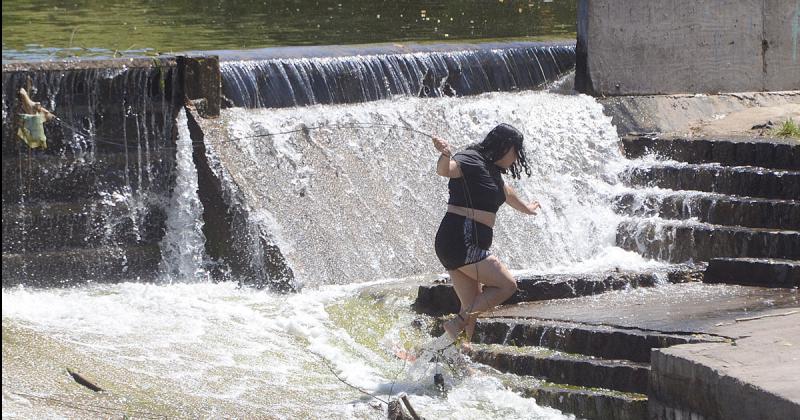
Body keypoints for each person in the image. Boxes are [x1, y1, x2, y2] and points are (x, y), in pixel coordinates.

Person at [432, 123, 540, 344]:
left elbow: (507, 194)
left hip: (462, 243)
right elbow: (445, 170)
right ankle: (457, 322)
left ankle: (456, 359)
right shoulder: (471, 159)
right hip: (460, 240)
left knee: (472, 305)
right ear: (505, 146)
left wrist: (527, 209)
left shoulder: (493, 173)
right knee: (507, 285)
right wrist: (444, 154)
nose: (517, 158)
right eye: (516, 151)